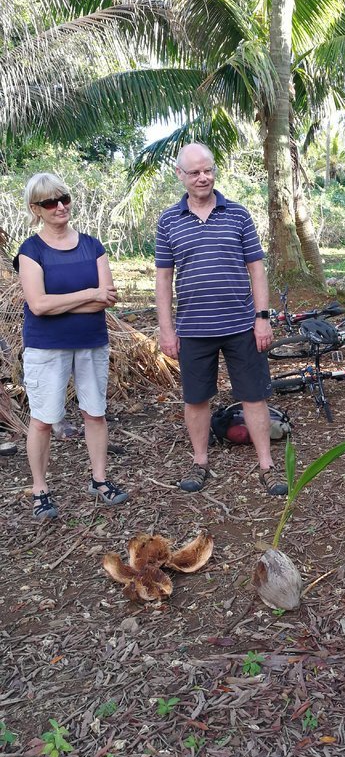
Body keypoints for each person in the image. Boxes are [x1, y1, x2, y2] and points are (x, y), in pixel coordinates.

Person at [155, 142, 287, 497]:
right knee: (196, 399)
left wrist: (262, 317)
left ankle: (267, 465)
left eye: (208, 170)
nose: (203, 177)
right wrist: (166, 329)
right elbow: (164, 280)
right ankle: (199, 462)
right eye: (195, 172)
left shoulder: (238, 214)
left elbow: (256, 270)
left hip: (242, 325)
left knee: (254, 396)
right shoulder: (169, 220)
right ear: (180, 175)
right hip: (193, 329)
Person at [16, 173, 129, 519]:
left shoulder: (92, 245)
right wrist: (88, 294)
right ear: (36, 209)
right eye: (50, 202)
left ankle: (99, 479)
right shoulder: (31, 251)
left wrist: (70, 300)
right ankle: (40, 489)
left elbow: (105, 298)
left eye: (63, 198)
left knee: (95, 412)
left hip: (91, 343)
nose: (60, 206)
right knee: (43, 420)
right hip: (47, 347)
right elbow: (38, 305)